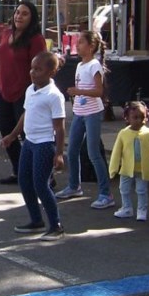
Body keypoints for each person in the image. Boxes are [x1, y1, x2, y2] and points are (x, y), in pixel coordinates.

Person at [1, 51, 65, 240]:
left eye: (38, 69)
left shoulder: (54, 96)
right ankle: (36, 220)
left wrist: (59, 153)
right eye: (32, 68)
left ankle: (56, 225)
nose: (33, 72)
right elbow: (25, 115)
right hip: (29, 142)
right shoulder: (31, 89)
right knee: (24, 180)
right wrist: (12, 136)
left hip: (45, 144)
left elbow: (60, 128)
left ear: (51, 72)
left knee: (41, 184)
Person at [0, 1, 47, 185]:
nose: (19, 16)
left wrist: (38, 93)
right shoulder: (7, 33)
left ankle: (45, 175)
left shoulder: (36, 39)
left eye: (25, 13)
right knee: (7, 133)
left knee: (26, 134)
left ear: (32, 18)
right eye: (17, 12)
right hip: (4, 90)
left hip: (25, 92)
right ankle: (19, 171)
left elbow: (42, 67)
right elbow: (1, 62)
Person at [55, 30, 114, 208]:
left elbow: (98, 91)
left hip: (92, 113)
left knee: (93, 152)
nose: (77, 45)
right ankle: (74, 185)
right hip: (79, 111)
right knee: (72, 150)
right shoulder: (80, 65)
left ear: (91, 46)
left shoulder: (94, 65)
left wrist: (78, 91)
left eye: (81, 42)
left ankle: (106, 193)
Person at [108, 101, 149, 222]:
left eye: (142, 117)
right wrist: (113, 168)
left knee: (141, 190)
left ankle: (142, 210)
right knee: (124, 189)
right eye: (135, 117)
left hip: (143, 169)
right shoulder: (123, 133)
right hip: (126, 169)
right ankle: (127, 208)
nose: (139, 120)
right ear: (127, 118)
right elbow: (116, 152)